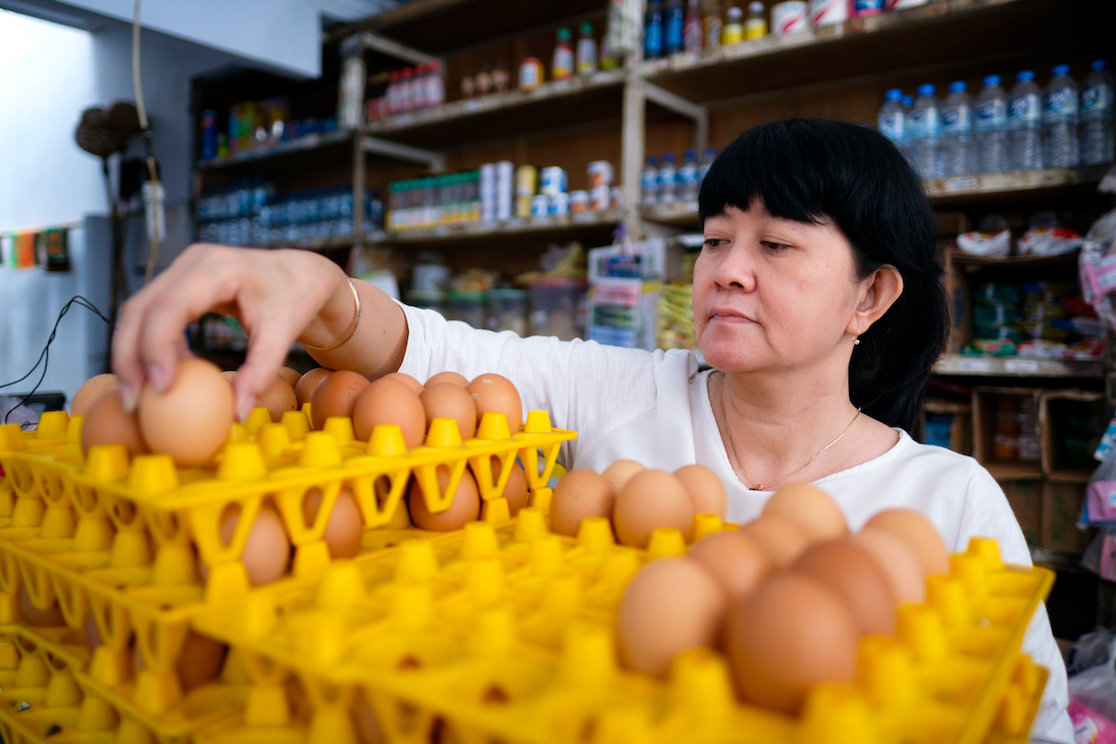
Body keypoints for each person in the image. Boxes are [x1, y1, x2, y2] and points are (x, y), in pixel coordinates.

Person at [112, 119, 1072, 741]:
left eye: (776, 243)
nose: (728, 269)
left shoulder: (947, 504)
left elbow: (1034, 726)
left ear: (871, 293)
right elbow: (420, 349)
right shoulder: (621, 395)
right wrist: (314, 283)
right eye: (714, 239)